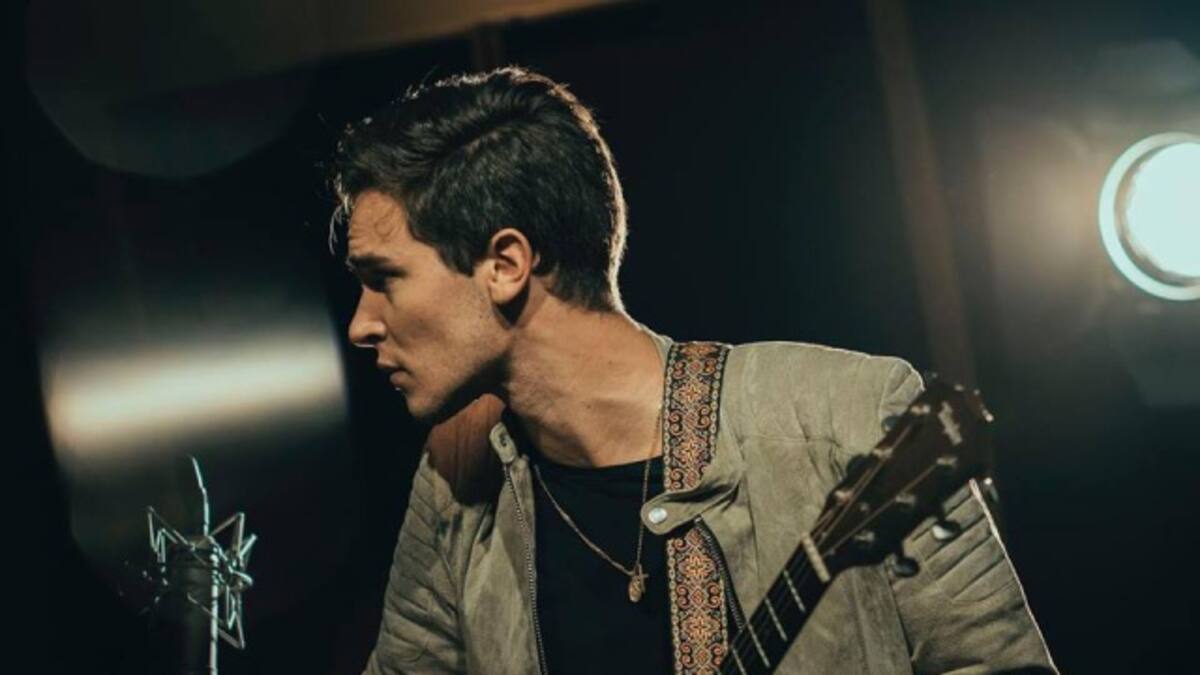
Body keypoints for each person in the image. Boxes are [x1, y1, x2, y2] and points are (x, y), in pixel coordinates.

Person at [330, 66, 1056, 675]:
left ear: (505, 264)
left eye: (383, 278)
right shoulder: (457, 479)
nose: (361, 323)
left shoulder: (847, 416)